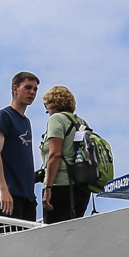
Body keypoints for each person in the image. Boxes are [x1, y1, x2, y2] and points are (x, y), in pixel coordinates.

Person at [0, 72, 40, 230]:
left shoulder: (26, 122)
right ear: (15, 89)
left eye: (35, 89)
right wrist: (3, 189)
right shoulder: (4, 116)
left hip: (28, 195)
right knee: (13, 246)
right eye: (28, 87)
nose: (32, 92)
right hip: (10, 193)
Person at [39, 85, 93, 224]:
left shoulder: (56, 119)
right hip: (81, 188)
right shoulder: (81, 122)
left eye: (47, 105)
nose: (46, 110)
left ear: (54, 103)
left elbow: (55, 155)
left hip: (61, 185)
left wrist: (48, 187)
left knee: (54, 236)